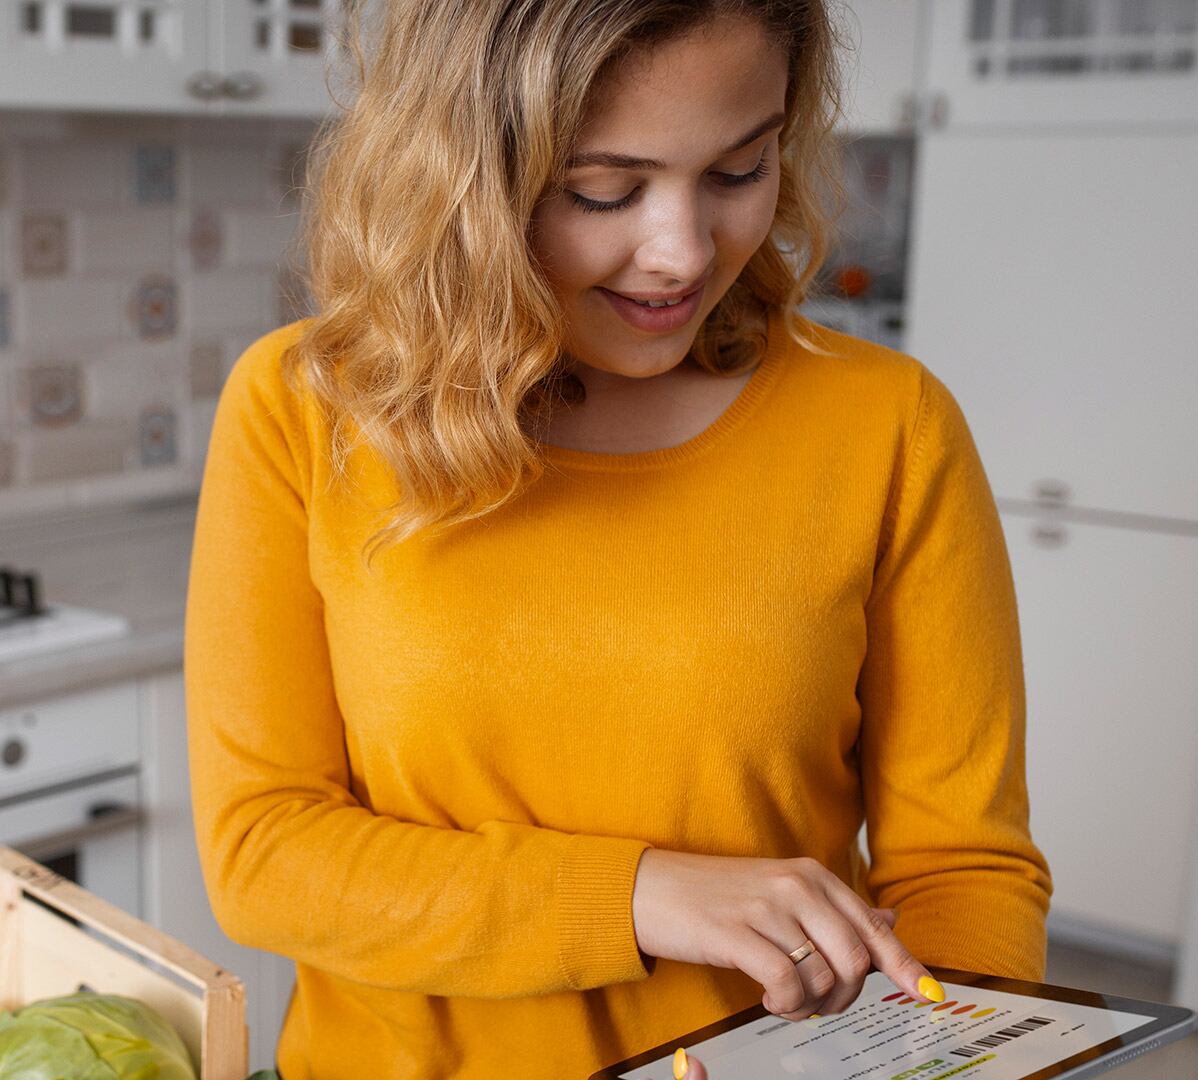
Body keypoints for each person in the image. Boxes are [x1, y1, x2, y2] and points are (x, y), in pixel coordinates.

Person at [183, 1, 1054, 1077]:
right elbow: (265, 853)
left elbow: (962, 870)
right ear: (459, 174)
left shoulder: (887, 424)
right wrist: (640, 894)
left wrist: (948, 1055)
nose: (683, 252)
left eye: (740, 171)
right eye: (603, 189)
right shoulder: (304, 408)